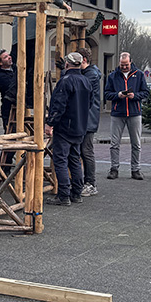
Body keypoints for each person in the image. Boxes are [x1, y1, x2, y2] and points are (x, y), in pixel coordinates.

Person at [43, 51, 92, 206]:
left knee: (61, 161)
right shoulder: (86, 81)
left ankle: (64, 195)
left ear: (67, 64)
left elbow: (58, 106)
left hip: (65, 128)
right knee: (75, 160)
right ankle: (76, 193)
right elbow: (89, 104)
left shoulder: (65, 81)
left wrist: (50, 123)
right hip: (80, 127)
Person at [103, 51, 149, 180]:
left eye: (126, 64)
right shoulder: (113, 76)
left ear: (130, 62)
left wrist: (135, 96)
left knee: (136, 143)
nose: (124, 67)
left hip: (134, 113)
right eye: (122, 65)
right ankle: (114, 168)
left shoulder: (139, 75)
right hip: (117, 113)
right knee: (114, 143)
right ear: (119, 63)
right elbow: (106, 94)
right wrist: (118, 95)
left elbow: (145, 92)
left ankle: (136, 169)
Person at [78, 47, 102, 196]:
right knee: (83, 150)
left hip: (88, 119)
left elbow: (80, 85)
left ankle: (91, 183)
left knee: (86, 150)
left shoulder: (90, 75)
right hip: (87, 118)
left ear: (84, 60)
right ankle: (86, 181)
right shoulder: (89, 73)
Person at [0, 49, 18, 167]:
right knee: (11, 138)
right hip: (9, 109)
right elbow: (13, 87)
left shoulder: (13, 69)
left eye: (8, 55)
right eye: (5, 57)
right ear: (0, 63)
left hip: (17, 107)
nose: (9, 58)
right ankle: (4, 167)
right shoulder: (1, 76)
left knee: (18, 137)